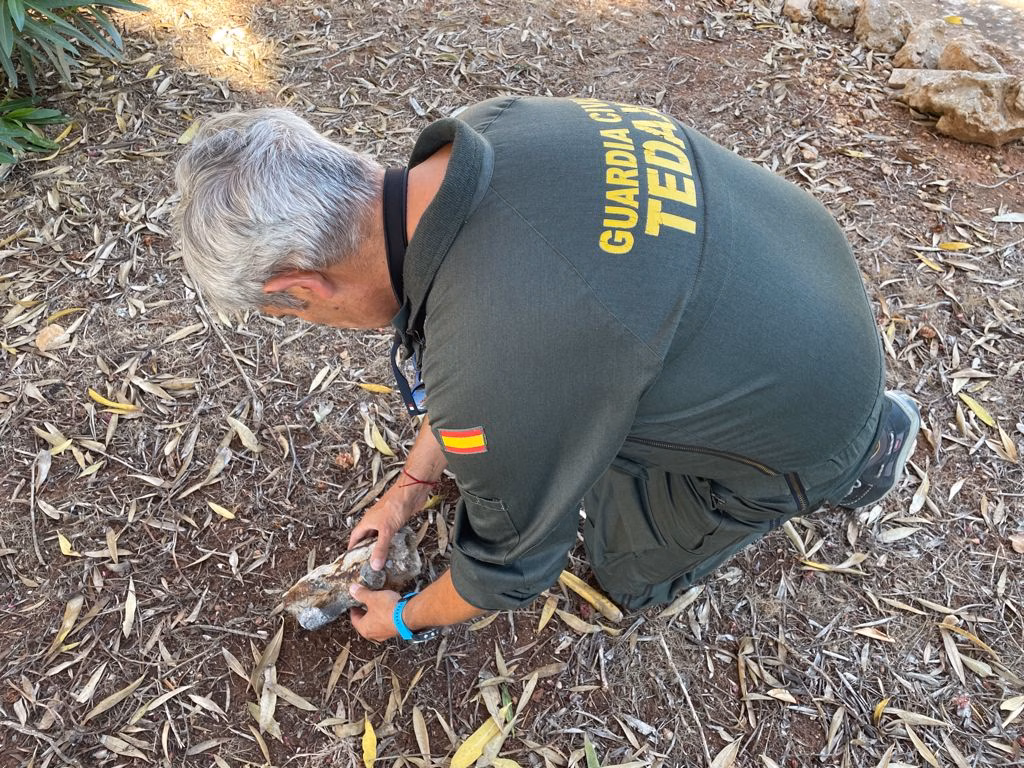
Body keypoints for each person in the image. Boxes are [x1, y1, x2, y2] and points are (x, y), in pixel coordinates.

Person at [173, 96, 921, 643]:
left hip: (815, 418)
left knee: (625, 564)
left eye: (291, 316)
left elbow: (507, 571)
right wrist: (409, 489)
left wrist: (402, 617)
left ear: (298, 289)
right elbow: (488, 353)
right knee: (572, 399)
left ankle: (864, 457)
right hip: (802, 275)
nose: (306, 321)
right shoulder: (487, 133)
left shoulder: (497, 356)